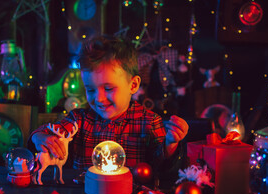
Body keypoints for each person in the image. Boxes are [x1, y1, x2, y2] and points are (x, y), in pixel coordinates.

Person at [29, 35, 188, 181]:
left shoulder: (150, 122)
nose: (98, 98)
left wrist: (170, 144)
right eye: (90, 89)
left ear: (133, 85)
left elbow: (162, 167)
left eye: (109, 88)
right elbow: (47, 132)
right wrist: (40, 138)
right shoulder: (78, 120)